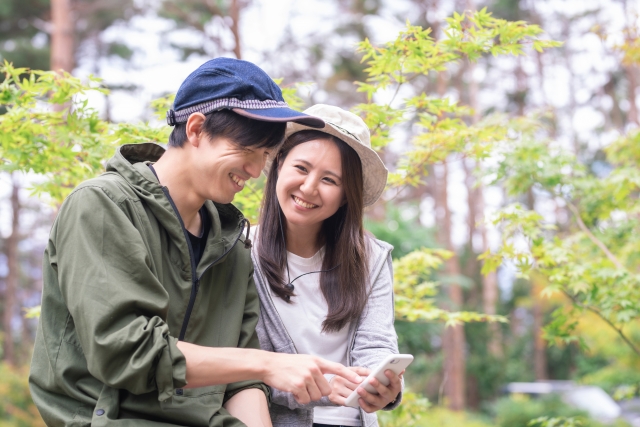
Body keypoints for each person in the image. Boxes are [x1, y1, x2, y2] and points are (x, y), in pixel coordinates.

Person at [28, 59, 363, 427]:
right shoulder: (104, 206)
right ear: (197, 128)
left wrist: (258, 370)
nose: (255, 171)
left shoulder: (230, 243)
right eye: (247, 150)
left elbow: (242, 382)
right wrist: (269, 364)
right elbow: (126, 352)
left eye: (265, 157)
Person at [252, 104, 403, 427]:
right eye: (302, 168)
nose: (308, 188)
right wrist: (323, 387)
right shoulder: (240, 251)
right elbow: (243, 364)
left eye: (330, 180)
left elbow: (375, 344)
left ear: (346, 195)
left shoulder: (371, 258)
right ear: (279, 164)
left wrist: (382, 384)